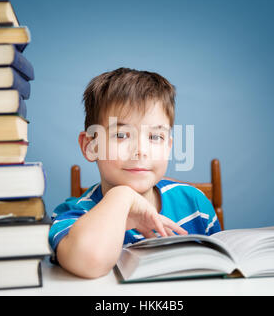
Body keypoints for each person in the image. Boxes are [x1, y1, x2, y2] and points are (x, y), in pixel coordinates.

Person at [49, 67, 221, 278]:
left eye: (155, 137)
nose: (140, 150)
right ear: (90, 145)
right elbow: (89, 262)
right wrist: (122, 196)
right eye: (121, 135)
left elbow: (221, 273)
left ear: (168, 146)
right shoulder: (75, 217)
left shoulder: (195, 205)